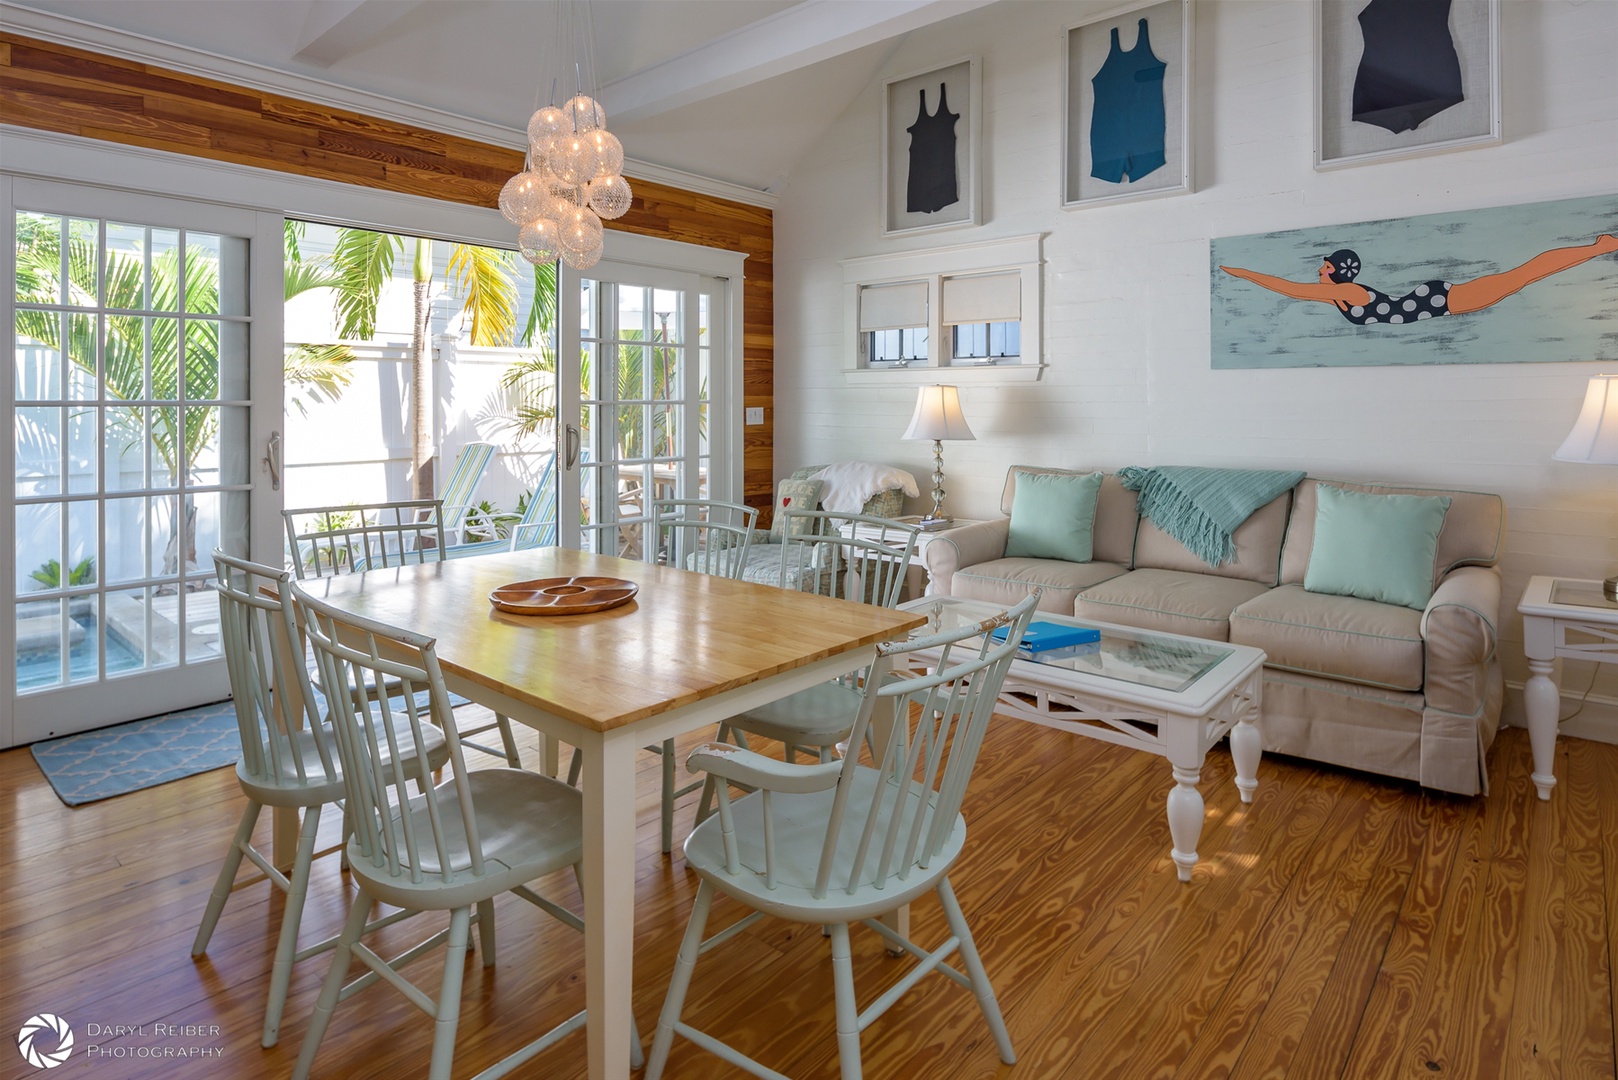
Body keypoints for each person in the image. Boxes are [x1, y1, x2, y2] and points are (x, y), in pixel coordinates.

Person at [1220, 235, 1617, 325]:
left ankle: (1599, 246)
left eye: (1324, 266)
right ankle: (1597, 247)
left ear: (1336, 271)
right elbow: (1296, 290)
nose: (1318, 270)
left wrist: (1243, 273)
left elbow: (1289, 289)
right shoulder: (1337, 296)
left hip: (1441, 301)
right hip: (1434, 301)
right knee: (1520, 277)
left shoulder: (1347, 291)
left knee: (1523, 275)